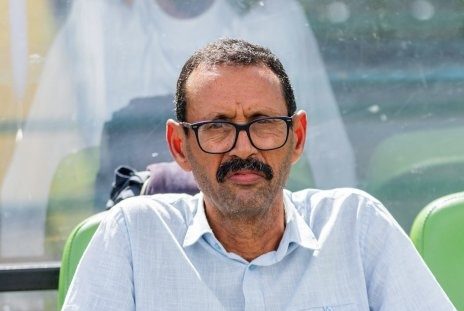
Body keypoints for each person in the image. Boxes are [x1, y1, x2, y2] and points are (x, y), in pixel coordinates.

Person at [24, 39, 464, 311]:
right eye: (217, 127)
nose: (243, 148)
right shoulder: (133, 236)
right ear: (180, 145)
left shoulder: (355, 225)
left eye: (263, 123)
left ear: (297, 137)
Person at [0, 0, 355, 259]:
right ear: (178, 143)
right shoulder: (99, 20)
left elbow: (327, 150)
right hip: (131, 229)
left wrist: (333, 250)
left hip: (264, 235)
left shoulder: (273, 19)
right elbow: (39, 156)